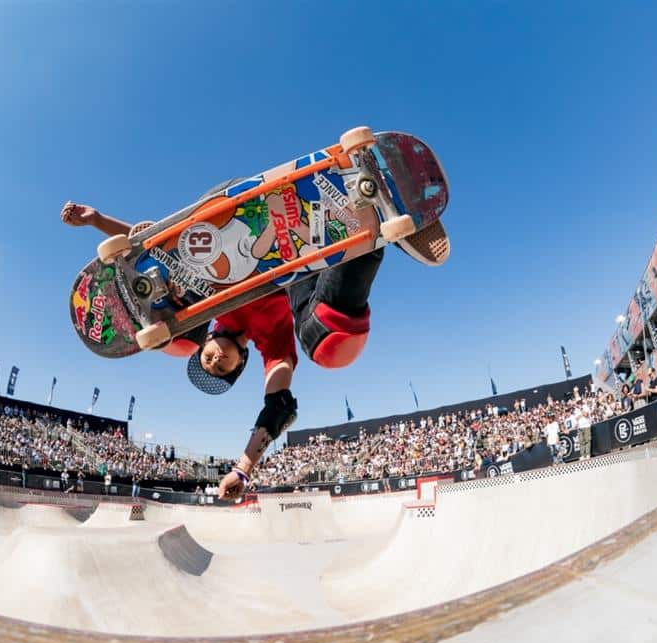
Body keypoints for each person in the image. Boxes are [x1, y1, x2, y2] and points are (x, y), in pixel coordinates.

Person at [63, 181, 449, 500]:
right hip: (311, 264)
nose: (214, 361)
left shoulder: (210, 313)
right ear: (241, 364)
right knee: (328, 345)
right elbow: (276, 407)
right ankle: (372, 221)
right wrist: (242, 471)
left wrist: (97, 221)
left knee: (181, 326)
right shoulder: (272, 349)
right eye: (222, 367)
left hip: (225, 230)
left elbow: (152, 246)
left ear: (211, 342)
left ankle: (147, 293)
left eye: (208, 359)